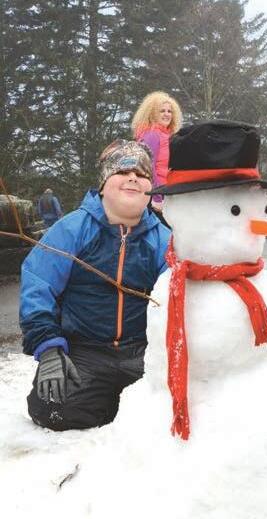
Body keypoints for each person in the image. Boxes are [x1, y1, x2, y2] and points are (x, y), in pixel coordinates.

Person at [20, 140, 171, 431]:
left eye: (142, 174)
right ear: (103, 183)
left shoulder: (164, 240)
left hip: (143, 352)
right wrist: (48, 347)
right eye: (122, 171)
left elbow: (179, 298)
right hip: (85, 351)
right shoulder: (70, 229)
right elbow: (39, 286)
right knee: (52, 409)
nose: (133, 177)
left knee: (170, 413)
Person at [131, 91, 182, 214]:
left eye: (169, 111)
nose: (167, 114)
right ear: (152, 114)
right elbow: (148, 166)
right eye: (162, 111)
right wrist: (156, 197)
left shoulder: (168, 136)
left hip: (168, 193)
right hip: (156, 197)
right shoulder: (152, 135)